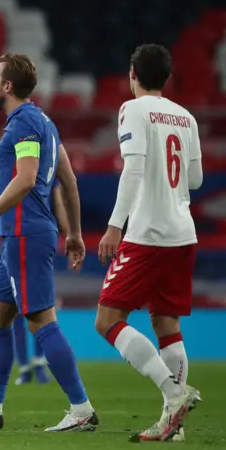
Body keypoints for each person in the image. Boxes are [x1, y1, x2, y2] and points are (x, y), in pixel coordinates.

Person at [0, 53, 98, 432]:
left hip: (25, 234)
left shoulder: (24, 125)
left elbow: (28, 178)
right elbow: (69, 180)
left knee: (41, 322)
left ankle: (81, 408)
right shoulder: (43, 122)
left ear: (8, 86)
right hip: (20, 236)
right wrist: (76, 233)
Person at [96, 44, 202, 442]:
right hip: (183, 232)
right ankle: (171, 427)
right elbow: (195, 180)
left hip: (148, 233)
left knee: (107, 320)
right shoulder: (186, 117)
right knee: (166, 325)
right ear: (167, 78)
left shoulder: (133, 109)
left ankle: (174, 394)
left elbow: (134, 167)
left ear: (133, 75)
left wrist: (113, 225)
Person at [0, 163, 71, 385]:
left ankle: (38, 363)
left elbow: (59, 199)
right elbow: (61, 198)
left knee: (37, 309)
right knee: (15, 308)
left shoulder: (16, 163)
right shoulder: (31, 159)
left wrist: (73, 234)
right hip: (21, 240)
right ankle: (27, 365)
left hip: (26, 238)